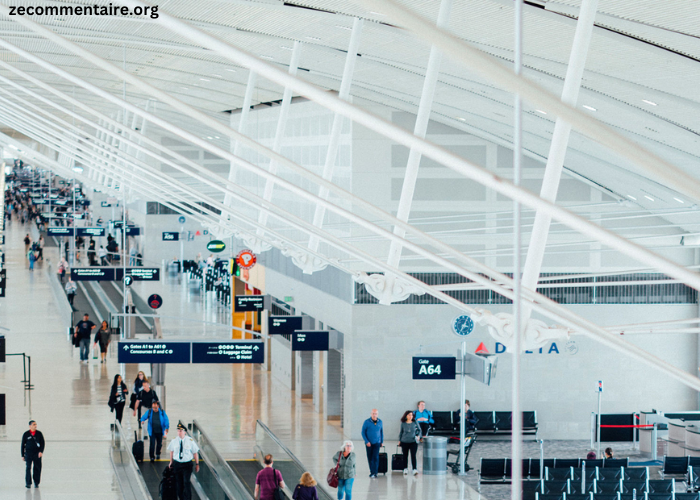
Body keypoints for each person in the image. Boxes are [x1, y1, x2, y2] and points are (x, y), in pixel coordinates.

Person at [167, 423, 200, 500]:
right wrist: (171, 461)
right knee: (179, 483)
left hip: (187, 464)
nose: (179, 432)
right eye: (178, 431)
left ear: (185, 432)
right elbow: (171, 451)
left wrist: (197, 464)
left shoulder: (190, 441)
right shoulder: (174, 440)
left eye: (181, 431)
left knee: (186, 481)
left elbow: (195, 453)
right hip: (177, 464)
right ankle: (181, 498)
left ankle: (188, 498)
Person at [21, 420, 45, 489]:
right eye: (34, 424)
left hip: (37, 454)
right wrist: (22, 455)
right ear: (30, 426)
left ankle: (36, 482)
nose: (35, 426)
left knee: (37, 468)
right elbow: (23, 444)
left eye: (36, 424)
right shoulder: (26, 434)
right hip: (28, 453)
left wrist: (41, 451)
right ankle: (28, 483)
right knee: (28, 468)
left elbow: (42, 443)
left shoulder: (39, 434)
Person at [361, 409, 383, 478]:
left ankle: (375, 472)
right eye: (373, 413)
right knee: (370, 457)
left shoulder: (380, 422)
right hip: (369, 443)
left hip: (377, 442)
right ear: (371, 414)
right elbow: (363, 432)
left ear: (377, 414)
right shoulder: (367, 422)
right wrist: (367, 441)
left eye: (376, 413)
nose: (374, 415)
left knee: (375, 457)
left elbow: (381, 432)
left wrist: (381, 441)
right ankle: (372, 471)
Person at [399, 411, 421, 476]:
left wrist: (419, 436)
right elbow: (401, 432)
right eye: (409, 415)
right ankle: (405, 468)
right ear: (406, 416)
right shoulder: (403, 423)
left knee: (413, 455)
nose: (410, 416)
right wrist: (400, 440)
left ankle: (414, 469)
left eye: (411, 415)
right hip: (404, 441)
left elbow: (419, 430)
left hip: (413, 441)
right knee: (405, 455)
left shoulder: (415, 423)